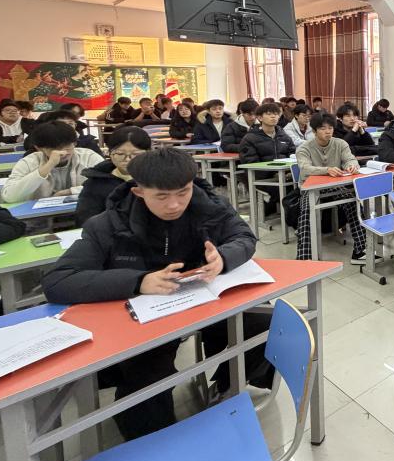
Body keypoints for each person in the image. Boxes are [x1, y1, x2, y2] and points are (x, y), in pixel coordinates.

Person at [42, 147, 273, 441]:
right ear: (138, 192)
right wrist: (139, 281)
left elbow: (243, 236)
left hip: (201, 302)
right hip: (146, 318)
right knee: (148, 374)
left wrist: (223, 258)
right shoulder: (109, 224)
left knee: (264, 321)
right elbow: (58, 281)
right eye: (161, 197)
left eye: (183, 192)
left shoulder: (211, 207)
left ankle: (226, 386)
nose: (174, 205)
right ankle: (156, 444)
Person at [295, 113, 368, 263]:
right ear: (314, 131)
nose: (328, 131)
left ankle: (360, 251)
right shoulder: (304, 148)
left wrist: (352, 166)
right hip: (311, 189)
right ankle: (304, 258)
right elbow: (305, 168)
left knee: (353, 203)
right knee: (306, 211)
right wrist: (327, 170)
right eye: (323, 129)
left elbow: (350, 159)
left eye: (330, 128)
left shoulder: (340, 143)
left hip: (335, 186)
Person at [1, 121, 104, 203]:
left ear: (75, 143)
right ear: (39, 148)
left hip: (83, 212)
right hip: (40, 217)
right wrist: (48, 166)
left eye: (67, 146)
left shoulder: (88, 156)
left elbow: (108, 184)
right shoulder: (28, 162)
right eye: (55, 148)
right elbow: (9, 196)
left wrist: (70, 192)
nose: (63, 152)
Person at [76, 126, 152, 225]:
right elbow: (86, 219)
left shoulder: (156, 179)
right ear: (109, 153)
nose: (127, 159)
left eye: (136, 154)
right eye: (120, 154)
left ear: (149, 153)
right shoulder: (96, 182)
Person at [239, 102, 294, 211]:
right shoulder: (250, 138)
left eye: (276, 114)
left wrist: (288, 172)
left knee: (304, 187)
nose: (273, 116)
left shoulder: (284, 136)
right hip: (264, 179)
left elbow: (293, 154)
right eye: (269, 114)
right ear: (260, 117)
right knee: (291, 192)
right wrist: (273, 174)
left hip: (286, 176)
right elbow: (251, 164)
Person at [26, 110, 104, 157]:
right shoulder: (44, 143)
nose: (67, 126)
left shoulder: (88, 142)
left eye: (70, 123)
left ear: (75, 125)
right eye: (62, 123)